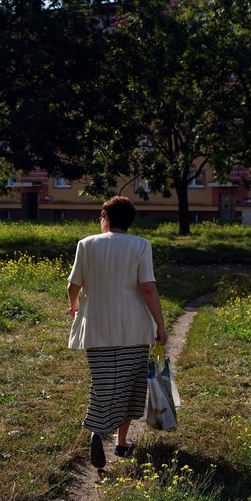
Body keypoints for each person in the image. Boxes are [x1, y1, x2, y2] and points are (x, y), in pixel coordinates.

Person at [67, 195, 167, 468]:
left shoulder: (86, 244)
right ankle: (121, 442)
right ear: (129, 222)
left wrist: (74, 307)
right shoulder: (140, 246)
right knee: (131, 385)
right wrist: (160, 324)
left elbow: (73, 286)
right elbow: (147, 287)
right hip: (134, 328)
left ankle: (98, 431)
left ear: (106, 218)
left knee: (103, 382)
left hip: (97, 329)